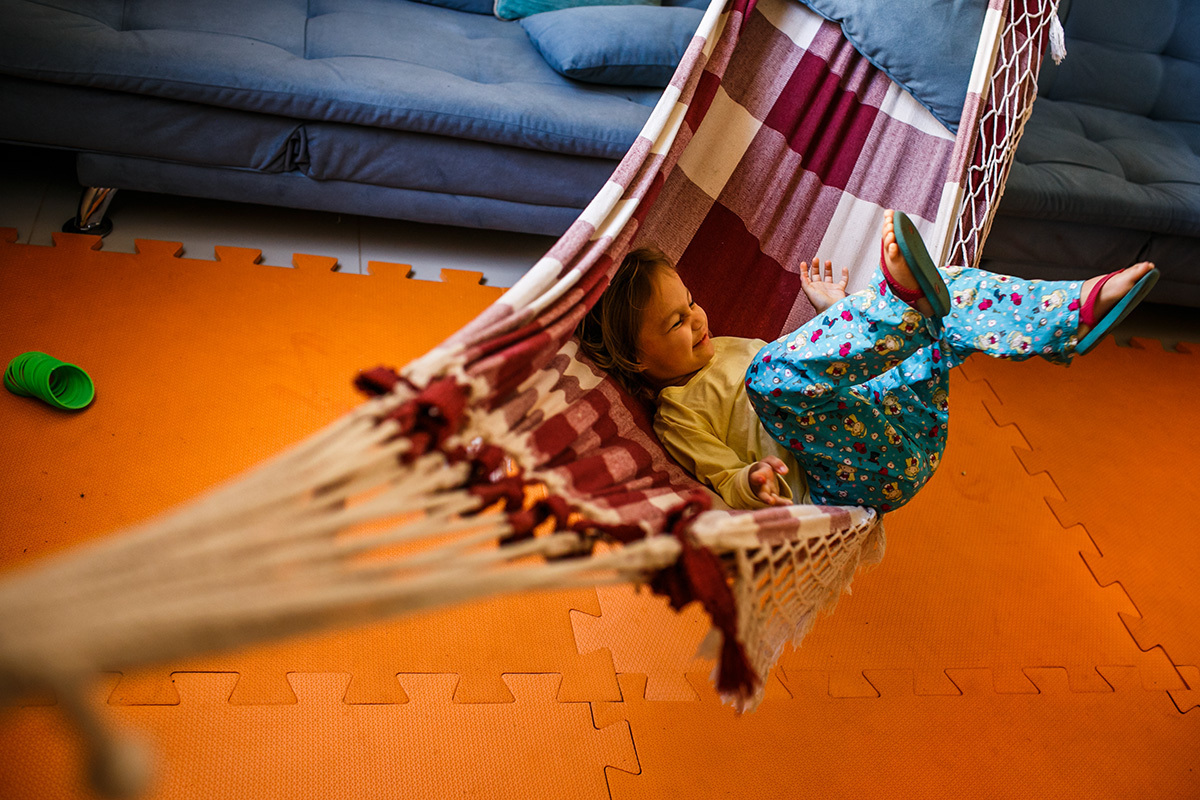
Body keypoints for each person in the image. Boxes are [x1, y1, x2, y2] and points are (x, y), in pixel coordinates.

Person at [576, 210, 1159, 511]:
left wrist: (836, 312)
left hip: (901, 428)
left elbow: (817, 381)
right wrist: (751, 484)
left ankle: (1068, 315)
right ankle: (890, 302)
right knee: (769, 374)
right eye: (677, 321)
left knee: (944, 296)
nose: (699, 318)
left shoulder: (725, 347)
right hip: (848, 480)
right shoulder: (678, 410)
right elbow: (721, 471)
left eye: (692, 302)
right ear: (635, 356)